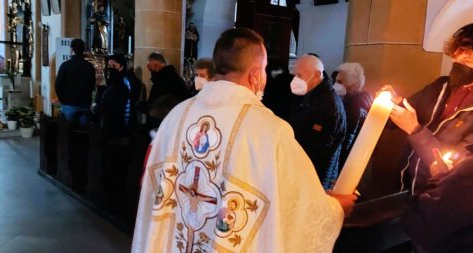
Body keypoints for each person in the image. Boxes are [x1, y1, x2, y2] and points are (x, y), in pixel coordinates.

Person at [132, 27, 355, 253]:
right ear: (256, 74)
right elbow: (301, 210)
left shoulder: (176, 116)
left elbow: (155, 195)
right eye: (265, 69)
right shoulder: (270, 131)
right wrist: (335, 209)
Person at [382, 21, 473, 251]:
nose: (459, 64)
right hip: (413, 189)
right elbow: (410, 107)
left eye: (469, 59)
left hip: (448, 209)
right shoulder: (442, 86)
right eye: (456, 57)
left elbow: (456, 166)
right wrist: (392, 103)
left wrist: (414, 130)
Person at [287, 55, 347, 189]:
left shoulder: (330, 105)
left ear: (316, 75)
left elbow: (320, 150)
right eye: (294, 75)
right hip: (299, 171)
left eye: (299, 75)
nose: (295, 80)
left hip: (316, 178)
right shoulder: (305, 97)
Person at [334, 63, 373, 172]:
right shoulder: (346, 101)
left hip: (349, 164)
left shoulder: (356, 105)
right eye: (336, 81)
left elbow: (348, 139)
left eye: (340, 82)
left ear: (353, 85)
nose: (336, 85)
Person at [55, 39, 95, 126]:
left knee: (68, 133)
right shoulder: (89, 67)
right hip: (84, 105)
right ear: (83, 50)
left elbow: (58, 85)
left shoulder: (65, 65)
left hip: (68, 104)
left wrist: (63, 100)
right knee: (82, 134)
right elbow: (92, 86)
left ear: (72, 50)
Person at [145, 52, 189, 129]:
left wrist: (141, 106)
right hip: (174, 123)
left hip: (161, 124)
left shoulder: (161, 82)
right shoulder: (178, 79)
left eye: (150, 69)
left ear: (156, 65)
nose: (151, 72)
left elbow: (155, 104)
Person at [93, 54, 131, 137]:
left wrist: (95, 107)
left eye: (114, 66)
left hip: (114, 129)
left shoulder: (120, 85)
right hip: (114, 127)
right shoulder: (116, 82)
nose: (110, 69)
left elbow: (110, 108)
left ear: (121, 67)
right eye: (109, 66)